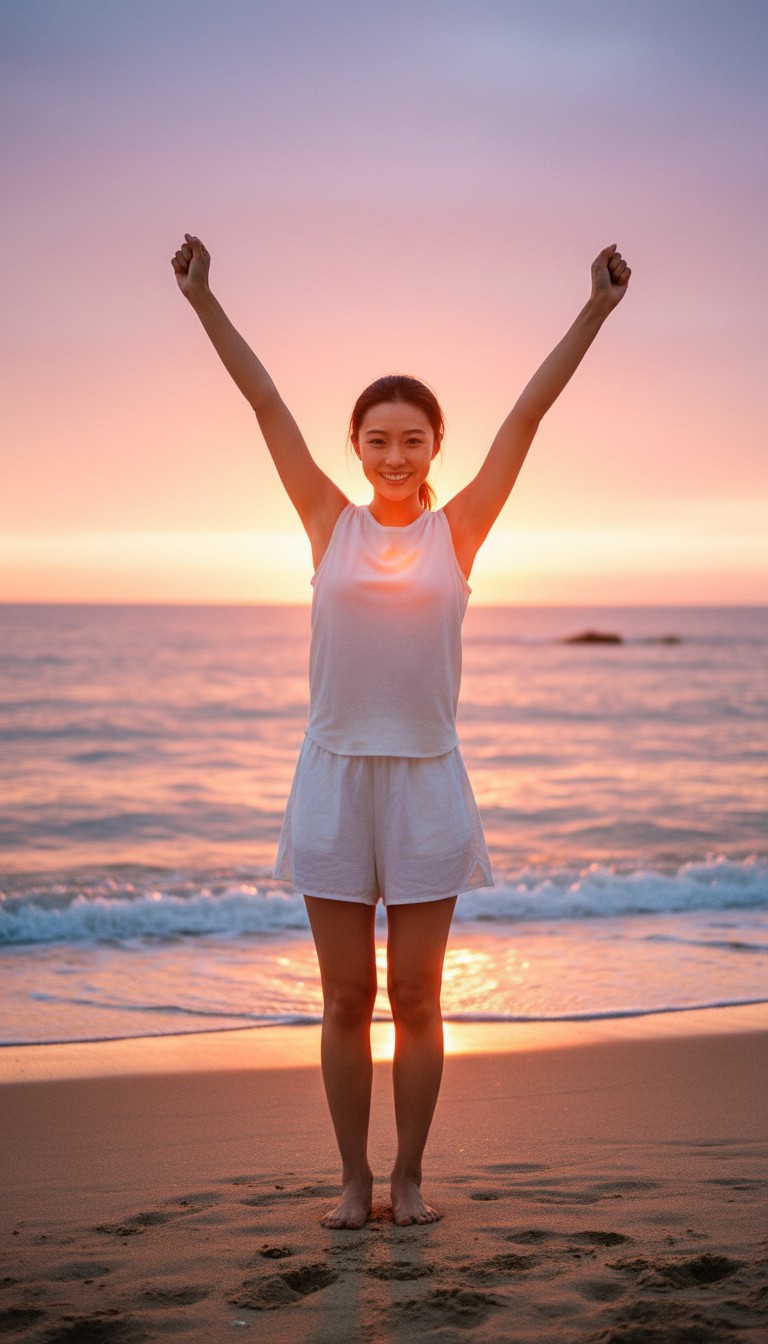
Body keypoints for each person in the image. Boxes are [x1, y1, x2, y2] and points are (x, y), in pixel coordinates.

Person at [171, 234, 631, 1229]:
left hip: (426, 782)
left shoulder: (454, 532)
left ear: (435, 448)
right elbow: (265, 405)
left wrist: (593, 309)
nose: (392, 455)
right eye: (376, 440)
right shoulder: (327, 523)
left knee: (418, 1001)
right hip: (334, 781)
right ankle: (352, 1181)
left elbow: (527, 413)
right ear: (356, 448)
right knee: (344, 1001)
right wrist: (205, 300)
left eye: (411, 439)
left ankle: (410, 1177)